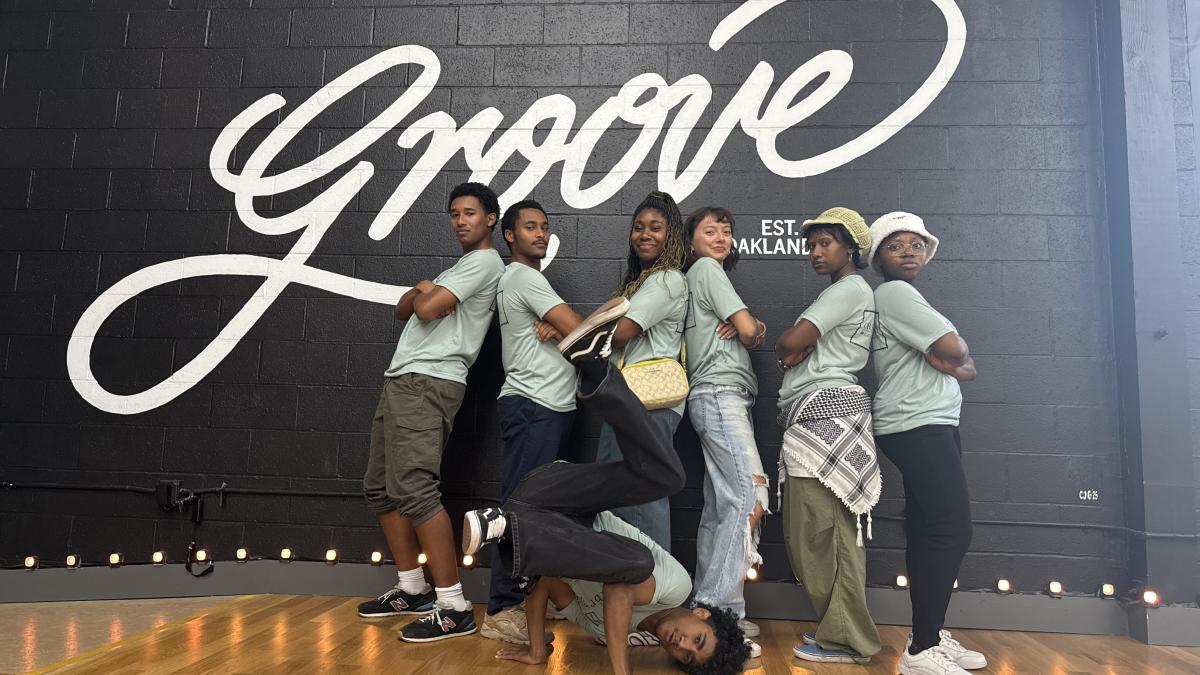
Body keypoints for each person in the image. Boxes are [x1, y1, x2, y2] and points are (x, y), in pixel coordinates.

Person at [461, 308, 750, 675]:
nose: (683, 645)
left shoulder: (601, 627)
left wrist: (537, 649)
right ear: (702, 614)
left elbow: (544, 585)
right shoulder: (677, 589)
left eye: (688, 657)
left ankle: (505, 526)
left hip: (528, 523)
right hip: (560, 492)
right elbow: (619, 588)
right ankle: (596, 368)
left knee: (557, 565)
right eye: (699, 639)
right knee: (664, 487)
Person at [356, 182, 505, 643]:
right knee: (381, 490)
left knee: (416, 489)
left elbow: (423, 305)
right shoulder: (459, 266)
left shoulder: (484, 261)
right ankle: (412, 588)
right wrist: (425, 293)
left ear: (491, 220)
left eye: (470, 213)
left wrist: (425, 291)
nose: (461, 221)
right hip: (403, 379)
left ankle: (453, 606)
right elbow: (406, 309)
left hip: (429, 382)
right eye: (455, 214)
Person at [867, 212, 986, 675]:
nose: (909, 252)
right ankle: (920, 652)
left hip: (926, 420)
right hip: (916, 422)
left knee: (924, 529)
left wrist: (950, 356)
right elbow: (957, 351)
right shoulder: (895, 293)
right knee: (951, 528)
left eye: (916, 244)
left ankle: (926, 635)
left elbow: (963, 364)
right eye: (896, 246)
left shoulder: (908, 296)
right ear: (880, 258)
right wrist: (948, 354)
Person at [773, 207, 882, 665]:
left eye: (826, 244)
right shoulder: (845, 292)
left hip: (828, 419)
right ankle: (838, 630)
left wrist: (798, 346)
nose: (815, 252)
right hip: (818, 419)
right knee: (812, 533)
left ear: (851, 247)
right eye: (812, 244)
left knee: (827, 533)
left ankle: (847, 639)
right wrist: (802, 347)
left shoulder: (850, 289)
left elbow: (786, 342)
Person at [482, 199, 589, 644]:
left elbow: (568, 330)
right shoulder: (525, 276)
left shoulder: (526, 280)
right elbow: (581, 329)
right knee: (520, 511)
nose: (540, 234)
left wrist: (560, 329)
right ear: (510, 235)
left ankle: (532, 602)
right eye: (530, 227)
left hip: (549, 407)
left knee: (537, 513)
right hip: (535, 406)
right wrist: (567, 326)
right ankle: (503, 609)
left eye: (544, 227)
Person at [681, 206, 770, 643]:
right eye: (709, 230)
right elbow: (751, 329)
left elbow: (752, 330)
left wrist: (752, 328)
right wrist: (751, 326)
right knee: (749, 497)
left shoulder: (705, 276)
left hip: (717, 395)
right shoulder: (707, 271)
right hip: (720, 394)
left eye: (726, 231)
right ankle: (715, 611)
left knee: (722, 508)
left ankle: (723, 607)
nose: (720, 238)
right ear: (691, 239)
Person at [595, 191, 689, 551]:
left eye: (656, 228)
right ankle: (630, 588)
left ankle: (655, 591)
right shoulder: (643, 281)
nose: (645, 234)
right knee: (622, 494)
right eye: (638, 228)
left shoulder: (666, 279)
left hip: (647, 403)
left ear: (673, 235)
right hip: (629, 400)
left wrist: (569, 331)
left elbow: (621, 334)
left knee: (644, 495)